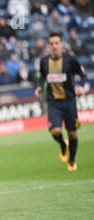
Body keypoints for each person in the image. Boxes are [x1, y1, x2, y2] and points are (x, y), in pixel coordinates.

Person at [35, 32, 87, 171]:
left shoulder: (70, 60)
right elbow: (42, 77)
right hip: (53, 102)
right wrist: (40, 87)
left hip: (69, 101)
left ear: (61, 44)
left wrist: (81, 86)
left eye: (57, 43)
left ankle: (71, 160)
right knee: (55, 131)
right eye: (51, 43)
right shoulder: (44, 61)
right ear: (49, 45)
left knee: (72, 133)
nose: (54, 46)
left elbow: (83, 75)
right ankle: (63, 145)